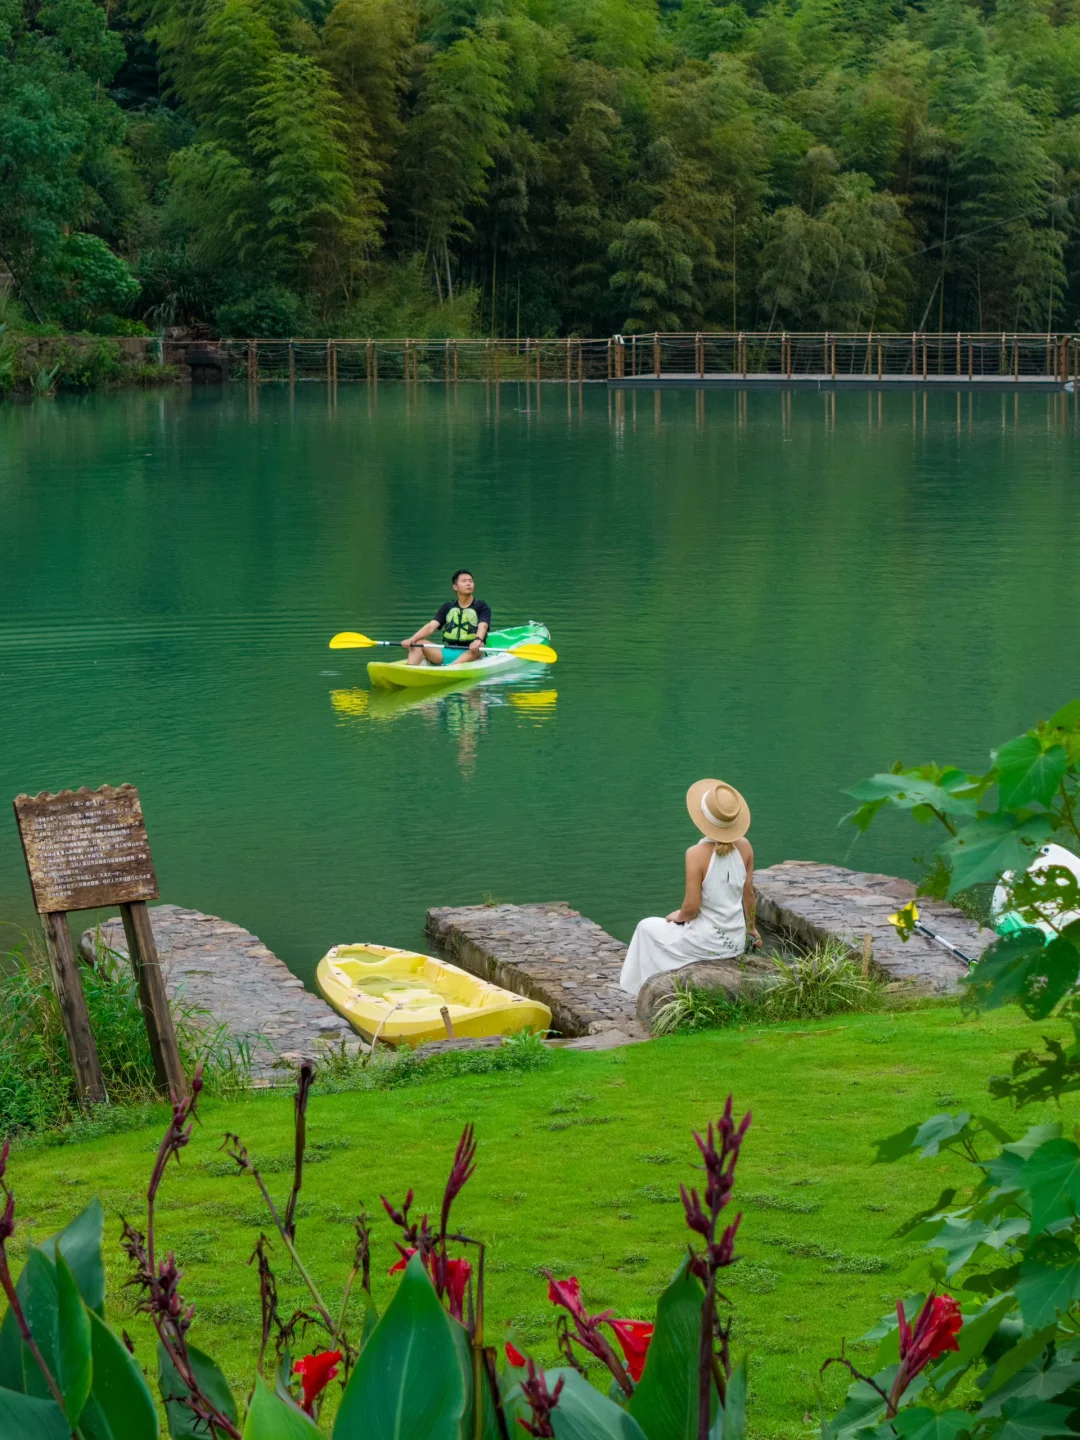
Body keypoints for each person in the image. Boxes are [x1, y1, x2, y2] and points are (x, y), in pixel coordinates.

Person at [619, 779, 761, 997]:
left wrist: (678, 916)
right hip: (735, 942)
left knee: (646, 927)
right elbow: (749, 895)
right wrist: (751, 930)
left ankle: (641, 993)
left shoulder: (695, 854)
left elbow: (691, 908)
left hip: (705, 941)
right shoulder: (746, 847)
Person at [401, 570, 491, 667]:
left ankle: (452, 667)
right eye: (464, 581)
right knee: (417, 643)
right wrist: (411, 639)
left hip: (472, 652)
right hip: (448, 651)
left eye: (470, 581)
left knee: (479, 645)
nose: (468, 583)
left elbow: (483, 626)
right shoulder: (447, 607)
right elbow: (431, 626)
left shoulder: (482, 606)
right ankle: (411, 669)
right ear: (455, 587)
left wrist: (478, 639)